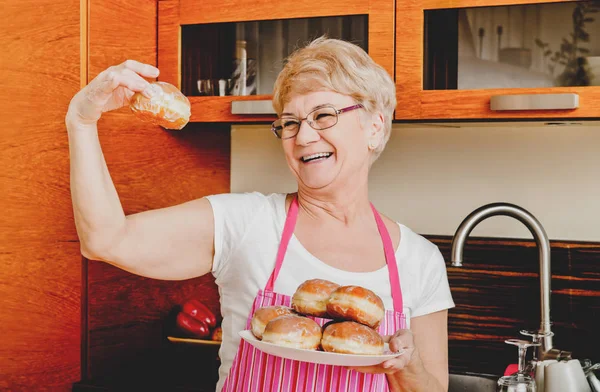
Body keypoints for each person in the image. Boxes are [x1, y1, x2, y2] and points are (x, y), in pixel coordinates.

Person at [66, 37, 455, 392]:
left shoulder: (419, 260)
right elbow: (105, 240)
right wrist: (81, 121)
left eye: (323, 116)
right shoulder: (246, 223)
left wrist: (409, 365)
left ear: (374, 126)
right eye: (290, 123)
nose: (303, 137)